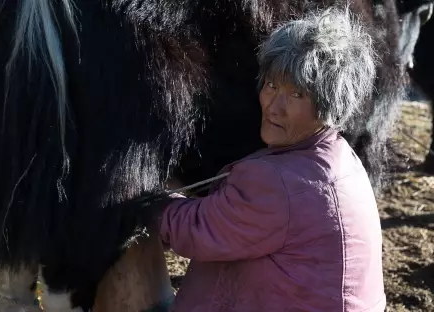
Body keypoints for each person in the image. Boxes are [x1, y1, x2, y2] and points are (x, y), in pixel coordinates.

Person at [158, 7, 386, 312]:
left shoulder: (279, 182)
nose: (274, 106)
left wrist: (144, 199)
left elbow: (192, 230)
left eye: (296, 95)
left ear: (331, 102)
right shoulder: (341, 158)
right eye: (271, 85)